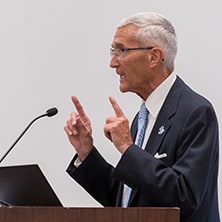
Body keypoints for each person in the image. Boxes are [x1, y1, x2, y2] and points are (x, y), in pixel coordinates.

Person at [64, 12, 220, 222]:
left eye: (121, 51)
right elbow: (127, 202)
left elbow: (185, 197)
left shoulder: (196, 112)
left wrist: (128, 148)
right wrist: (86, 152)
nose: (113, 63)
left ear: (154, 56)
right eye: (113, 51)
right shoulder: (143, 117)